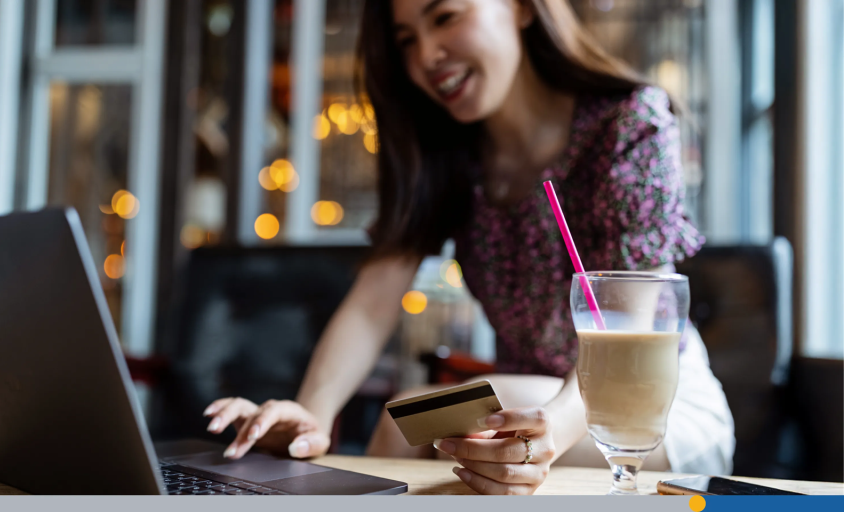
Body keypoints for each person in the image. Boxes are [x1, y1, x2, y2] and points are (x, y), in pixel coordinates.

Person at [203, 0, 735, 495]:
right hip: (534, 411)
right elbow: (373, 302)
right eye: (406, 39)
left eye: (446, 17)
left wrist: (555, 427)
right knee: (423, 428)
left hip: (651, 407)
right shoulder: (446, 155)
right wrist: (310, 418)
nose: (426, 56)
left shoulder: (629, 122)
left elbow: (626, 326)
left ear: (523, 7)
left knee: (410, 423)